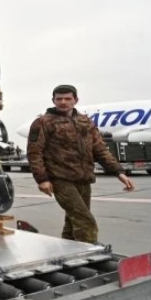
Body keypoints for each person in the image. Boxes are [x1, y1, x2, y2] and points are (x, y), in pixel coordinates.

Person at [26, 84, 135, 243]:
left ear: (75, 100)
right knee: (84, 220)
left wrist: (119, 172)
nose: (63, 102)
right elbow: (34, 152)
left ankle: (68, 247)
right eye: (59, 99)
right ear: (53, 100)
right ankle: (91, 251)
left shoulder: (85, 122)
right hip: (60, 179)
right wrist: (42, 179)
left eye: (67, 98)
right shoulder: (42, 122)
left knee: (73, 220)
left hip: (83, 179)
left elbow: (100, 149)